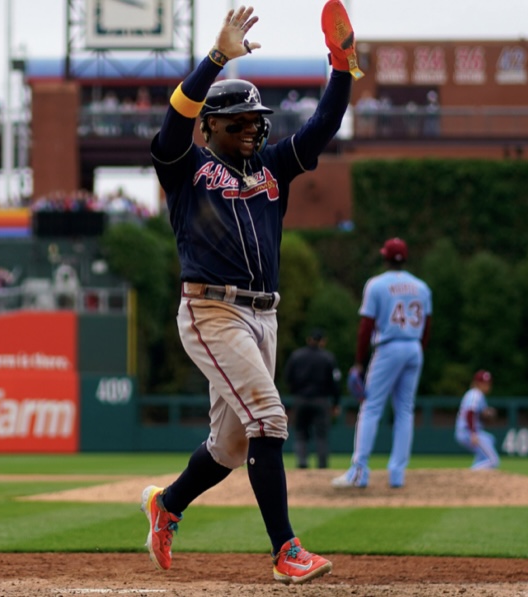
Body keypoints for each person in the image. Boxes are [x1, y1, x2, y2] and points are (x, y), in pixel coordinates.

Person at [139, 2, 361, 585]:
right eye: (236, 122)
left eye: (255, 121)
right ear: (209, 125)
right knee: (269, 419)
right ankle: (286, 550)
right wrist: (216, 58)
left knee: (232, 447)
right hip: (211, 309)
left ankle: (168, 505)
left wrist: (341, 66)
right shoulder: (184, 167)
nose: (250, 129)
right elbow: (172, 117)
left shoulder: (270, 168)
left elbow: (323, 127)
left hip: (264, 317)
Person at [332, 237, 432, 489]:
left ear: (385, 257)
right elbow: (428, 326)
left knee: (371, 407)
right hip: (413, 347)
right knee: (405, 411)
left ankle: (359, 471)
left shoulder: (376, 284)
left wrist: (358, 362)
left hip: (389, 347)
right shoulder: (422, 287)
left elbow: (365, 327)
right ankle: (397, 474)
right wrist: (419, 350)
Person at [283, 328, 342, 469]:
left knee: (300, 433)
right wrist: (335, 403)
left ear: (308, 340)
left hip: (301, 399)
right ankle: (322, 466)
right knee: (321, 435)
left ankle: (302, 463)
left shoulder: (296, 356)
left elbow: (287, 378)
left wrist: (295, 392)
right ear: (323, 341)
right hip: (321, 400)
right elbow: (335, 383)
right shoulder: (328, 358)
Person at [454, 370, 500, 470]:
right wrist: (473, 433)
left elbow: (477, 414)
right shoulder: (475, 394)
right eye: (484, 383)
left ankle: (475, 470)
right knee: (493, 461)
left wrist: (485, 414)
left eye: (488, 383)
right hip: (467, 432)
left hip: (470, 431)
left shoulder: (476, 395)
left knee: (490, 439)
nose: (487, 385)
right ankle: (470, 474)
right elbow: (470, 412)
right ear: (477, 383)